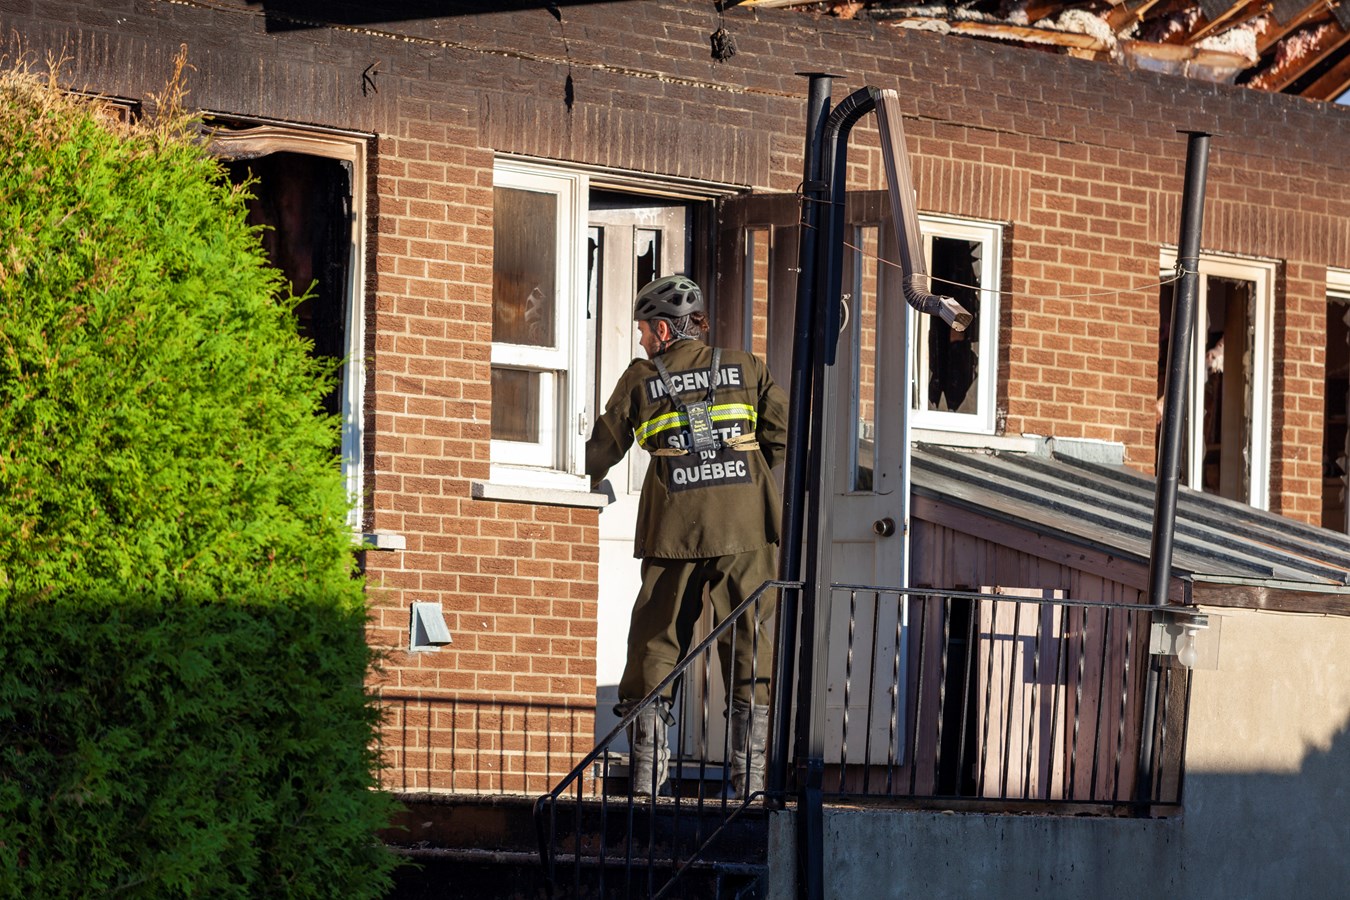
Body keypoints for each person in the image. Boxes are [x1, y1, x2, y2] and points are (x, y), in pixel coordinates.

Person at [586, 274, 788, 800]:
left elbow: (601, 450)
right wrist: (742, 475)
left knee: (656, 641)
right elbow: (782, 435)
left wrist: (576, 473)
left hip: (672, 529)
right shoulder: (748, 367)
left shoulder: (640, 376)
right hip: (746, 528)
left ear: (660, 329)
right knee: (750, 642)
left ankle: (648, 786)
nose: (640, 340)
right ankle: (750, 789)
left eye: (642, 330)